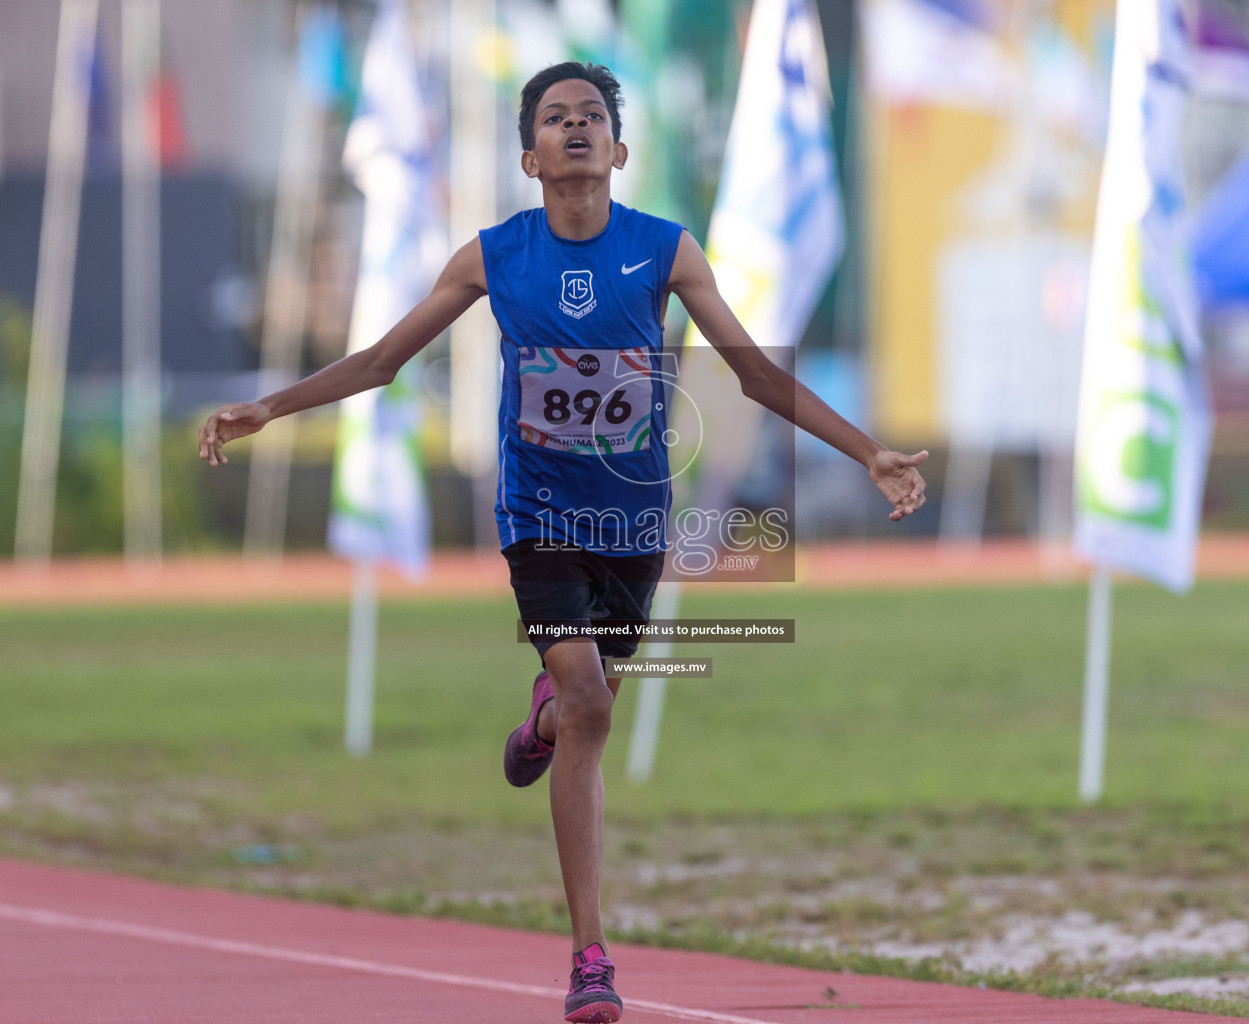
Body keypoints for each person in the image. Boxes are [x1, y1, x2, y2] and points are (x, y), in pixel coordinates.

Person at [199, 61, 929, 1024]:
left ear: (619, 151)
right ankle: (591, 957)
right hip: (540, 516)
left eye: (593, 117)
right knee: (594, 702)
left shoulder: (666, 252)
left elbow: (751, 376)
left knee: (581, 714)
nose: (576, 128)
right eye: (556, 118)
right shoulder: (493, 255)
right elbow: (383, 361)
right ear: (530, 156)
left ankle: (541, 722)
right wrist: (272, 405)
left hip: (632, 524)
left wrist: (870, 450)